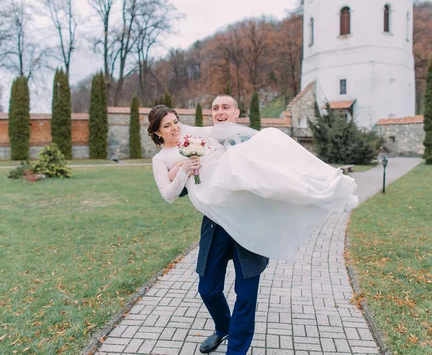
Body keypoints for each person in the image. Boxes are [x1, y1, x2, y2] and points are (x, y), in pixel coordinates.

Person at [148, 95, 358, 354]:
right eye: (215, 108)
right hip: (216, 224)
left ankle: (236, 349)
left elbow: (272, 167)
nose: (220, 112)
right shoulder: (189, 143)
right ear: (158, 132)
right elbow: (174, 191)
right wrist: (181, 168)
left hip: (249, 220)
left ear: (237, 113)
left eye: (225, 107)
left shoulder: (248, 140)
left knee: (245, 294)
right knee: (208, 289)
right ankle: (225, 328)